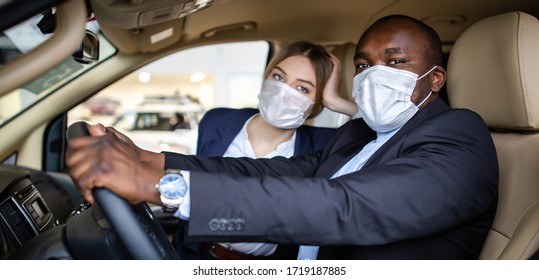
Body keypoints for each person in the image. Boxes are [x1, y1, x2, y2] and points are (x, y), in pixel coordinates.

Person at [66, 14, 499, 259]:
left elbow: (346, 207)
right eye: (364, 66)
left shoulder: (460, 138)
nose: (374, 75)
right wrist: (152, 161)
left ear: (435, 78)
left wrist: (160, 188)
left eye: (395, 61)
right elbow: (272, 172)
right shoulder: (359, 136)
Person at [174, 41, 356, 260]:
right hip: (203, 255)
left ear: (316, 103)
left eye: (302, 88)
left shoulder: (322, 144)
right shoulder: (217, 121)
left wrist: (335, 101)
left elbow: (389, 134)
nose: (283, 92)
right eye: (278, 77)